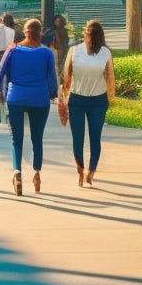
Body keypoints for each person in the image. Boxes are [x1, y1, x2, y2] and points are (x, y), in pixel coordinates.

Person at [0, 18, 58, 196]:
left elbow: (1, 72)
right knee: (37, 138)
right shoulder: (47, 54)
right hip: (39, 99)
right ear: (41, 33)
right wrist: (53, 94)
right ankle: (37, 174)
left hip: (16, 98)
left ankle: (17, 173)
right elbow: (52, 78)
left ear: (25, 31)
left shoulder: (13, 50)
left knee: (16, 139)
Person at [60, 20, 116, 187]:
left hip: (98, 101)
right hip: (77, 99)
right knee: (77, 138)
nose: (87, 36)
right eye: (86, 33)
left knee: (94, 138)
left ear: (97, 37)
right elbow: (67, 75)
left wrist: (110, 99)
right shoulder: (75, 50)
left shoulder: (105, 53)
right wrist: (63, 99)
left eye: (90, 34)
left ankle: (91, 171)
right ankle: (80, 170)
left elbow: (110, 77)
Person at [42, 13, 70, 83]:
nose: (58, 22)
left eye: (59, 21)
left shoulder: (64, 31)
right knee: (56, 68)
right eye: (56, 21)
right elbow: (45, 39)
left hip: (63, 50)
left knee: (62, 67)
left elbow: (66, 40)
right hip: (55, 50)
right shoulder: (51, 31)